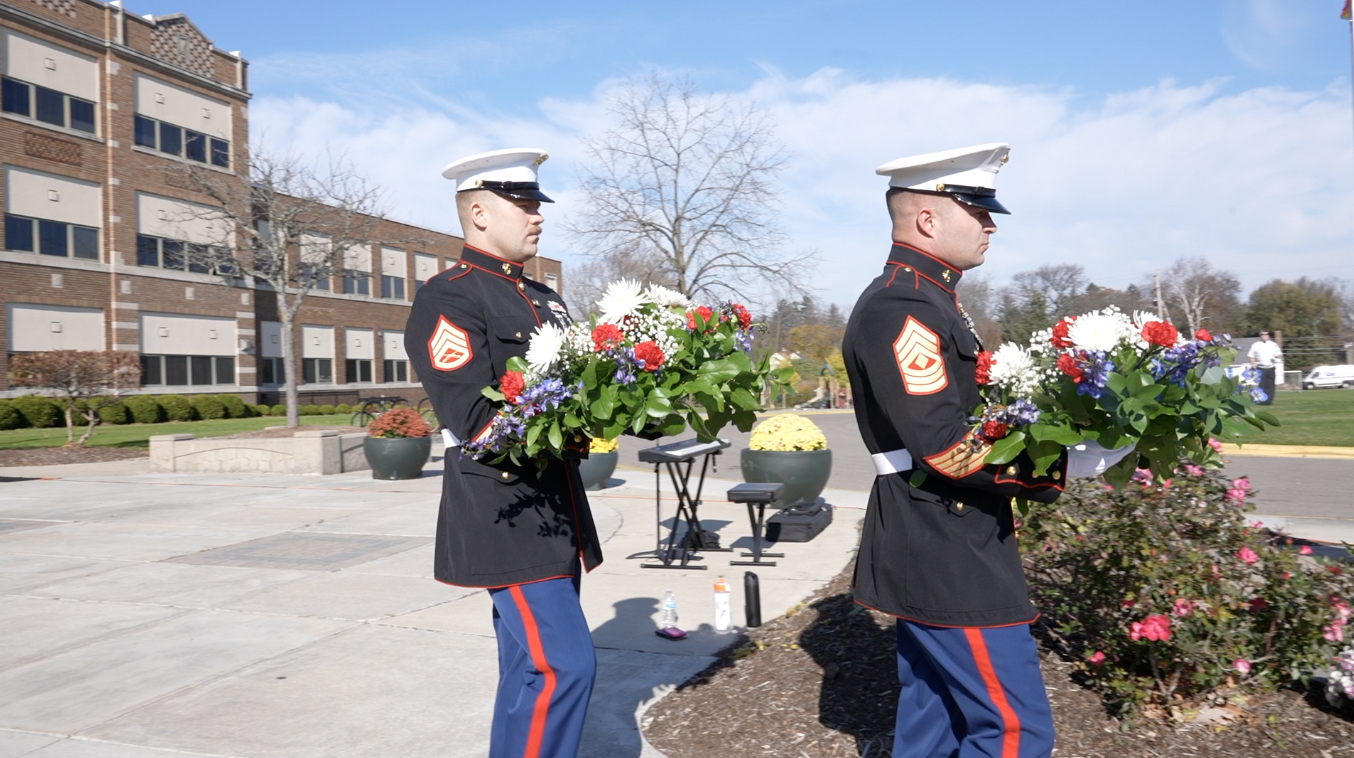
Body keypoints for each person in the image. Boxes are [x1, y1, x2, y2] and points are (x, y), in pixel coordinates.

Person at [841, 143, 1131, 758]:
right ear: (927, 219)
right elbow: (947, 447)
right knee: (1014, 733)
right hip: (946, 543)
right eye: (976, 209)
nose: (990, 224)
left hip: (937, 532)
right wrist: (1065, 464)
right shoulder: (905, 306)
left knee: (934, 721)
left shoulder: (928, 297)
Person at [405, 148, 602, 758]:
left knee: (527, 673)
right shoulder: (451, 298)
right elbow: (473, 419)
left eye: (537, 204)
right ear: (481, 212)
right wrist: (561, 418)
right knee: (563, 669)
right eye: (523, 205)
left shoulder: (549, 300)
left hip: (556, 508)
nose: (537, 216)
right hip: (505, 509)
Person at [1247, 330, 1282, 405]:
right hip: (1261, 368)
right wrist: (1253, 364)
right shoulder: (1255, 345)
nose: (1264, 335)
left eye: (1266, 334)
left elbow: (1279, 354)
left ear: (1268, 335)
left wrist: (1276, 357)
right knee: (1262, 385)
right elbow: (1251, 356)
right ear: (1260, 335)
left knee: (1270, 385)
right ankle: (1261, 400)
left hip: (1271, 367)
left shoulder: (1273, 344)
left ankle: (1269, 400)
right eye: (1262, 334)